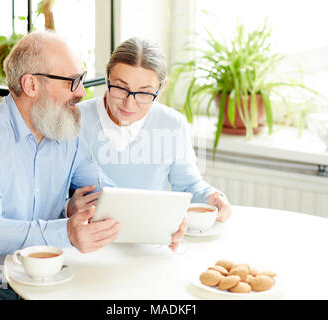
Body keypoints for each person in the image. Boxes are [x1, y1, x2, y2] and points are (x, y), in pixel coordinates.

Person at [0, 31, 121, 300]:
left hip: (37, 277)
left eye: (82, 79)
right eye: (72, 82)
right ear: (31, 85)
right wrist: (66, 228)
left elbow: (109, 196)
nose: (82, 92)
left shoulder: (67, 135)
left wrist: (162, 221)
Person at [76, 38, 231, 227]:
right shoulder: (75, 120)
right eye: (120, 88)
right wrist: (68, 206)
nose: (129, 103)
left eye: (144, 93)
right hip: (88, 236)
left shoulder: (173, 124)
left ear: (161, 87)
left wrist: (211, 196)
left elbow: (189, 184)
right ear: (108, 74)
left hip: (147, 237)